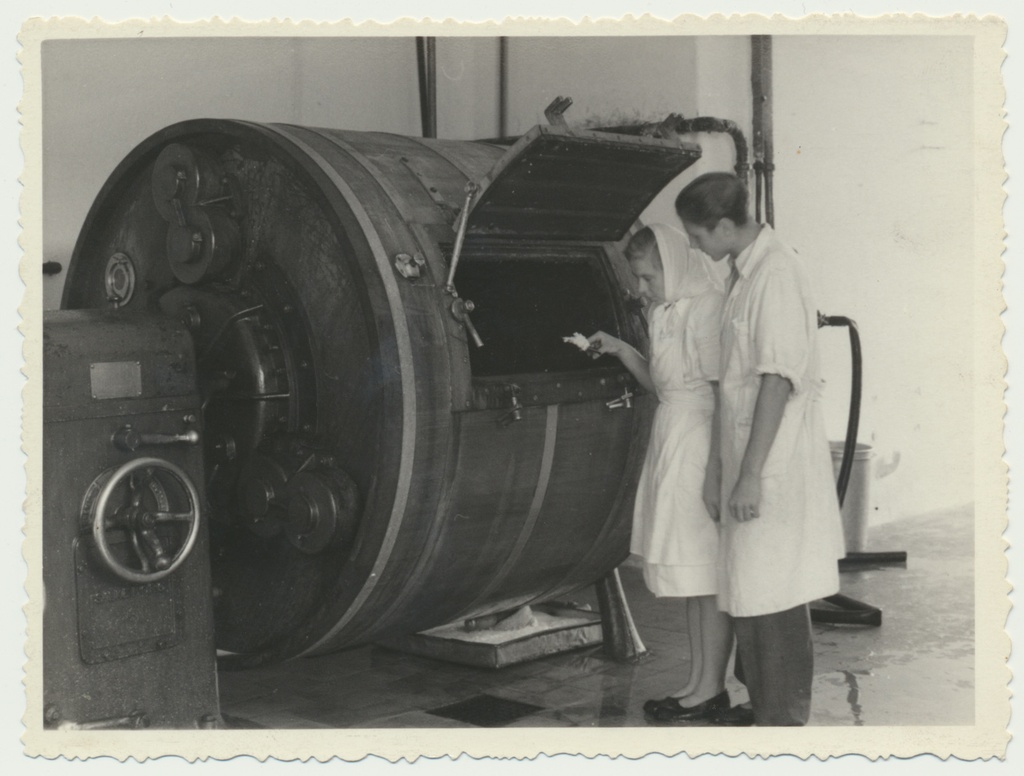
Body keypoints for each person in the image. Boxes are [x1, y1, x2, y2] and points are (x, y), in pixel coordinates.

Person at [675, 172, 846, 726]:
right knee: (749, 589)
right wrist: (719, 471)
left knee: (772, 595)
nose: (694, 246)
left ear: (725, 226)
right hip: (745, 458)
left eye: (697, 235)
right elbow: (733, 380)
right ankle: (765, 708)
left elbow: (776, 381)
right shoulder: (742, 274)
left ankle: (783, 724)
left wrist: (749, 476)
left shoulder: (776, 273)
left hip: (773, 466)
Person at [586, 223, 734, 723]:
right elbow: (664, 386)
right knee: (692, 575)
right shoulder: (665, 311)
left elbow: (722, 395)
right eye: (639, 279)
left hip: (699, 444)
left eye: (648, 278)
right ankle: (699, 682)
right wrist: (624, 350)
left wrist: (715, 472)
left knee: (707, 575)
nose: (641, 289)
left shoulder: (708, 307)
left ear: (673, 265)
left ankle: (711, 688)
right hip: (672, 439)